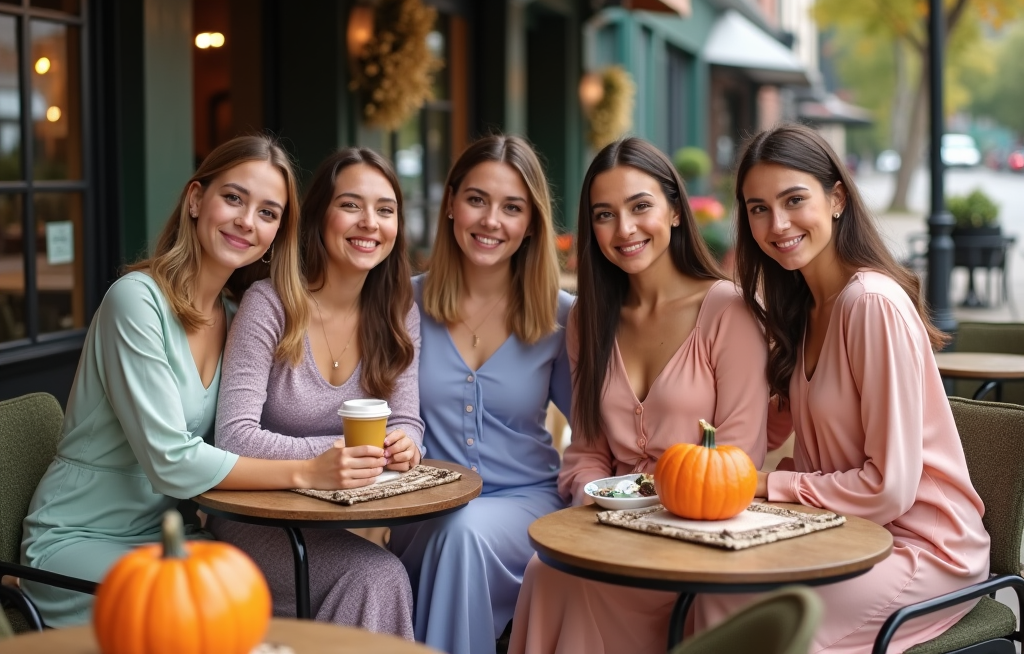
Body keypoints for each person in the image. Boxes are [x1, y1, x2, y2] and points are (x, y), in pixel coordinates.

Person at [20, 135, 357, 628]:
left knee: (292, 599)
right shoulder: (134, 302)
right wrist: (307, 471)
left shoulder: (236, 318)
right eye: (234, 198)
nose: (248, 221)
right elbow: (170, 462)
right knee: (206, 620)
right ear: (197, 199)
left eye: (269, 212)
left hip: (173, 538)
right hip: (78, 542)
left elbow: (253, 431)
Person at [696, 123, 990, 651]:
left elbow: (890, 488)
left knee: (745, 609)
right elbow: (758, 426)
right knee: (709, 589)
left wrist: (766, 486)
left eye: (793, 200)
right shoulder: (802, 308)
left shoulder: (870, 304)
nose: (776, 223)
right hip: (839, 534)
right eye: (757, 208)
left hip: (922, 550)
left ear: (836, 198)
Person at [509, 137, 770, 654]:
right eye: (604, 215)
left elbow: (740, 458)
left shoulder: (729, 312)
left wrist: (654, 514)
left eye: (640, 206)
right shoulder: (588, 317)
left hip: (701, 537)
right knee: (548, 570)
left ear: (675, 211)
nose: (624, 229)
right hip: (613, 528)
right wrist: (595, 497)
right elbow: (586, 452)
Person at [210, 148, 422, 637]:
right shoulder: (270, 304)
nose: (370, 223)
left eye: (385, 210)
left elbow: (407, 420)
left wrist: (406, 444)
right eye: (351, 205)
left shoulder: (396, 310)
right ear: (319, 216)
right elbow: (233, 438)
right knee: (378, 575)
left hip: (345, 521)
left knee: (400, 563)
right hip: (260, 522)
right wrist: (331, 457)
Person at [387, 134, 573, 654]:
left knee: (463, 535)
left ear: (531, 222)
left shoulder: (560, 317)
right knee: (455, 531)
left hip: (525, 504)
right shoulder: (404, 303)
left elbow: (600, 429)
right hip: (424, 509)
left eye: (512, 207)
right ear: (451, 204)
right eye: (477, 200)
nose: (492, 221)